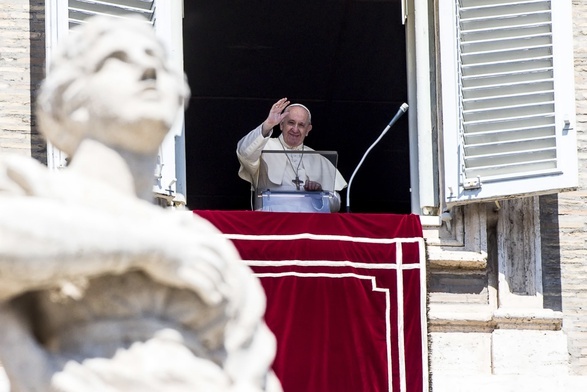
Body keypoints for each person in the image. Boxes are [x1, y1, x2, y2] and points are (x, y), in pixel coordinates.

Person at [0, 15, 281, 392]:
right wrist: (149, 248)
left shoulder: (203, 241)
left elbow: (252, 369)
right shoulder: (28, 190)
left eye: (159, 62)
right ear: (71, 98)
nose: (149, 69)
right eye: (117, 58)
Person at [237, 98, 347, 212]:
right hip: (271, 223)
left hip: (308, 226)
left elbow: (335, 206)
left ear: (308, 129)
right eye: (291, 122)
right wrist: (268, 124)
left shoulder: (319, 159)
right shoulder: (263, 146)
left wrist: (320, 194)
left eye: (301, 125)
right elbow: (244, 154)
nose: (295, 129)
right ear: (281, 124)